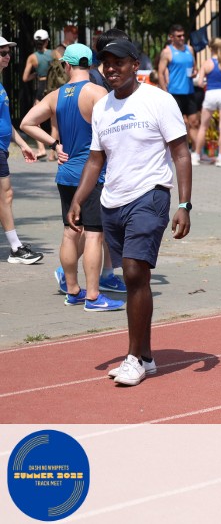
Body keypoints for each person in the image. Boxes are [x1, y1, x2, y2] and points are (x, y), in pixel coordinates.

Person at [69, 39, 193, 386]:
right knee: (134, 279)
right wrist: (79, 199)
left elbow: (181, 153)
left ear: (135, 64)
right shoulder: (102, 108)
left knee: (134, 271)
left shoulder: (158, 100)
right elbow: (96, 160)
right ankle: (148, 356)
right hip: (112, 202)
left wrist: (184, 204)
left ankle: (134, 358)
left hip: (150, 196)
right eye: (106, 62)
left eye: (118, 62)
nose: (111, 68)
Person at [20, 43, 125, 311]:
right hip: (91, 175)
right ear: (91, 64)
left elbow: (26, 123)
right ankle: (93, 297)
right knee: (93, 236)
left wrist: (54, 144)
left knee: (70, 233)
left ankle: (73, 290)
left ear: (66, 65)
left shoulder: (55, 95)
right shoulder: (97, 92)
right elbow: (115, 130)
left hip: (66, 174)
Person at [0, 34, 43, 264]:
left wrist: (24, 144)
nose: (8, 56)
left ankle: (15, 247)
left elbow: (6, 122)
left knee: (5, 196)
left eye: (8, 52)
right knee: (5, 194)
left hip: (3, 148)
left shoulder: (0, 85)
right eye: (2, 53)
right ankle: (16, 248)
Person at [191, 37, 221, 167]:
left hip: (210, 93)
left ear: (210, 48)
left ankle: (196, 155)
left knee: (203, 126)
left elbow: (200, 82)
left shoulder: (206, 63)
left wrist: (205, 82)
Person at [157, 24, 199, 150]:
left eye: (183, 35)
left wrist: (195, 72)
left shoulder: (189, 49)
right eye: (179, 36)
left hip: (189, 91)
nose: (182, 38)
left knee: (194, 122)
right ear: (171, 37)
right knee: (178, 125)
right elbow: (160, 72)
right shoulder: (167, 52)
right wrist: (165, 92)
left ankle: (197, 152)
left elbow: (195, 67)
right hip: (174, 93)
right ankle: (181, 151)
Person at [21, 29, 55, 159]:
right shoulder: (54, 54)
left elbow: (25, 78)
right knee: (54, 122)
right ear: (47, 41)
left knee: (34, 120)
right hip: (53, 88)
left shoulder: (32, 57)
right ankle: (53, 153)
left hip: (41, 87)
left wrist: (35, 74)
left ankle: (41, 149)